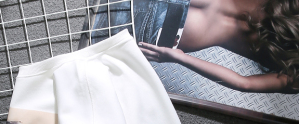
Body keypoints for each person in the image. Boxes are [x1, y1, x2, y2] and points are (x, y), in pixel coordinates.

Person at [87, 0, 299, 93]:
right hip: (181, 28)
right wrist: (180, 57)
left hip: (177, 22)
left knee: (89, 15)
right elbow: (244, 84)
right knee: (89, 33)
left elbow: (245, 84)